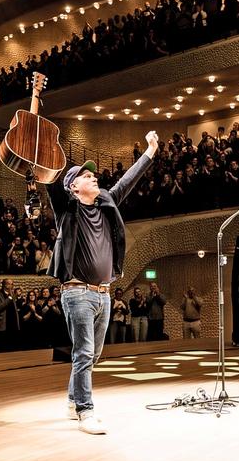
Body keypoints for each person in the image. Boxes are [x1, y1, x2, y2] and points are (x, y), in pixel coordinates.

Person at [44, 130, 159, 434]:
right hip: (77, 293)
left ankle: (72, 400)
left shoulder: (106, 202)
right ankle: (85, 411)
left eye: (94, 175)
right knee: (83, 352)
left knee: (92, 355)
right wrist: (42, 149)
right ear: (73, 186)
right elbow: (50, 182)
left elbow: (127, 182)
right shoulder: (66, 209)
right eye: (86, 176)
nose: (94, 178)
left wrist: (149, 152)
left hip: (103, 294)